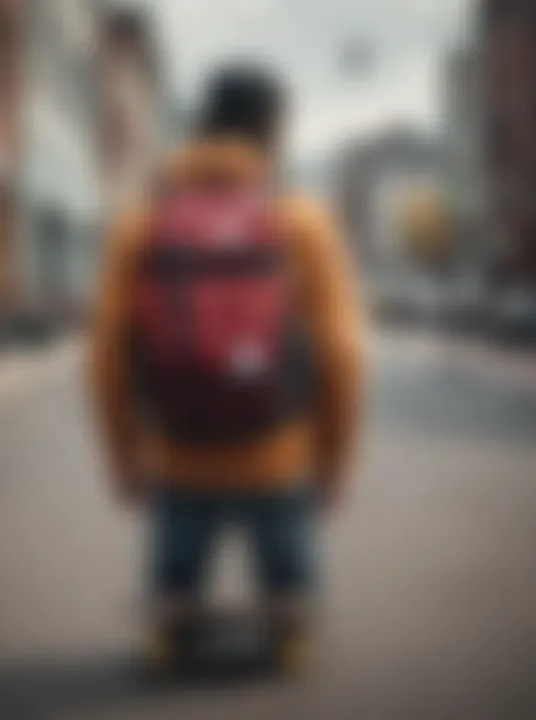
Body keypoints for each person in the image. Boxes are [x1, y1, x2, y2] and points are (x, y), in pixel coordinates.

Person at [87, 64, 365, 671]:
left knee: (172, 587)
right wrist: (334, 461)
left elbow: (105, 353)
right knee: (292, 590)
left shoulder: (144, 222)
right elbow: (343, 353)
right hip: (280, 451)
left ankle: (172, 621)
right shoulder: (302, 222)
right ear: (274, 134)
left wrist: (124, 457)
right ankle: (289, 625)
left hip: (180, 449)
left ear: (199, 129)